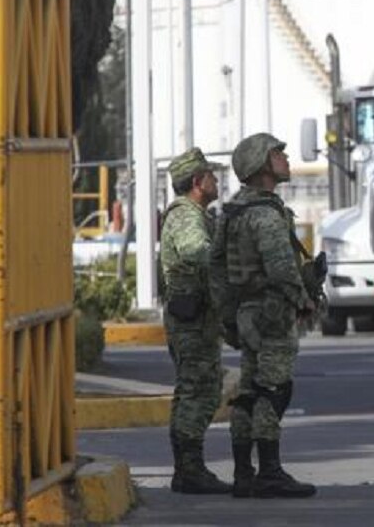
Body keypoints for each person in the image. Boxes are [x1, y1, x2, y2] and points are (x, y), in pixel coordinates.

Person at [211, 133, 318, 499]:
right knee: (274, 390)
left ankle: (244, 473)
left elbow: (218, 268)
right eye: (277, 154)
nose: (285, 160)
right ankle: (270, 472)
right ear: (261, 165)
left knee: (248, 391)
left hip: (246, 312)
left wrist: (229, 315)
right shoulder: (266, 216)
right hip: (272, 314)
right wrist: (302, 300)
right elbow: (281, 270)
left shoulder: (234, 211)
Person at [160, 147, 231, 495]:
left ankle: (189, 468)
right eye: (212, 176)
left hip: (200, 318)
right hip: (191, 320)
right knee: (194, 392)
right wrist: (228, 257)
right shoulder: (187, 216)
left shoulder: (197, 214)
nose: (217, 181)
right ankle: (188, 470)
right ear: (198, 182)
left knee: (202, 389)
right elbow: (196, 252)